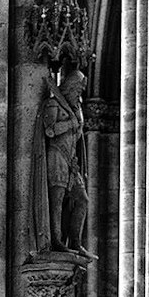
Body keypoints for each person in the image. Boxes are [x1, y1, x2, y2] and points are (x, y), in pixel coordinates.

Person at [41, 66, 91, 253]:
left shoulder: (75, 108)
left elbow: (77, 137)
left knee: (82, 200)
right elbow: (50, 130)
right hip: (56, 155)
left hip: (71, 160)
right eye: (78, 89)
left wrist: (78, 124)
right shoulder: (54, 104)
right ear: (70, 87)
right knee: (57, 198)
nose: (79, 93)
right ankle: (56, 240)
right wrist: (70, 123)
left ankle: (76, 243)